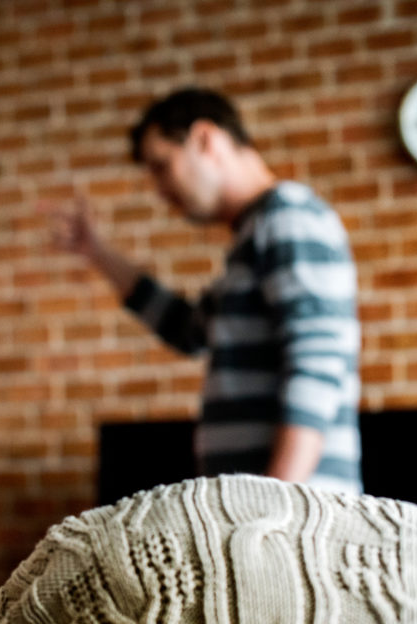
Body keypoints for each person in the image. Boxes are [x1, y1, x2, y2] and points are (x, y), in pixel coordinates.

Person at [50, 87, 362, 495]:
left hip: (292, 519)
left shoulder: (288, 217)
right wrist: (98, 252)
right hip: (270, 515)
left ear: (205, 140)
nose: (160, 190)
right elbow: (188, 330)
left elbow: (317, 361)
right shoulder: (251, 239)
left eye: (162, 166)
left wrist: (273, 503)